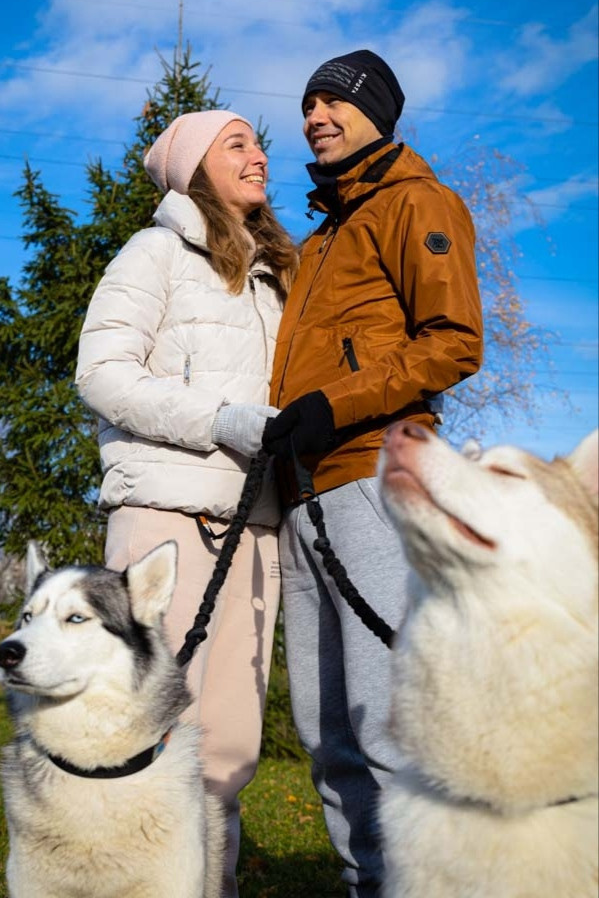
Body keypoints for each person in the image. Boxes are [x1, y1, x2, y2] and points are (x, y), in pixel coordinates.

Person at [262, 50, 484, 896]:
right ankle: (370, 883)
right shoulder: (322, 235)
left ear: (376, 113)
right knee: (326, 732)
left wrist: (334, 403)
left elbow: (452, 342)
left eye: (333, 102)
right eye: (307, 104)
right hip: (302, 494)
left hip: (370, 478)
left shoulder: (415, 202)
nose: (314, 116)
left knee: (386, 722)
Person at [75, 109, 298, 898]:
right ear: (194, 167)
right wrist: (218, 420)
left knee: (228, 745)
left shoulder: (276, 275)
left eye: (257, 142)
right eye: (236, 144)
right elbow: (102, 374)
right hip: (166, 523)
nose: (258, 154)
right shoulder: (155, 252)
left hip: (255, 530)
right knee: (147, 730)